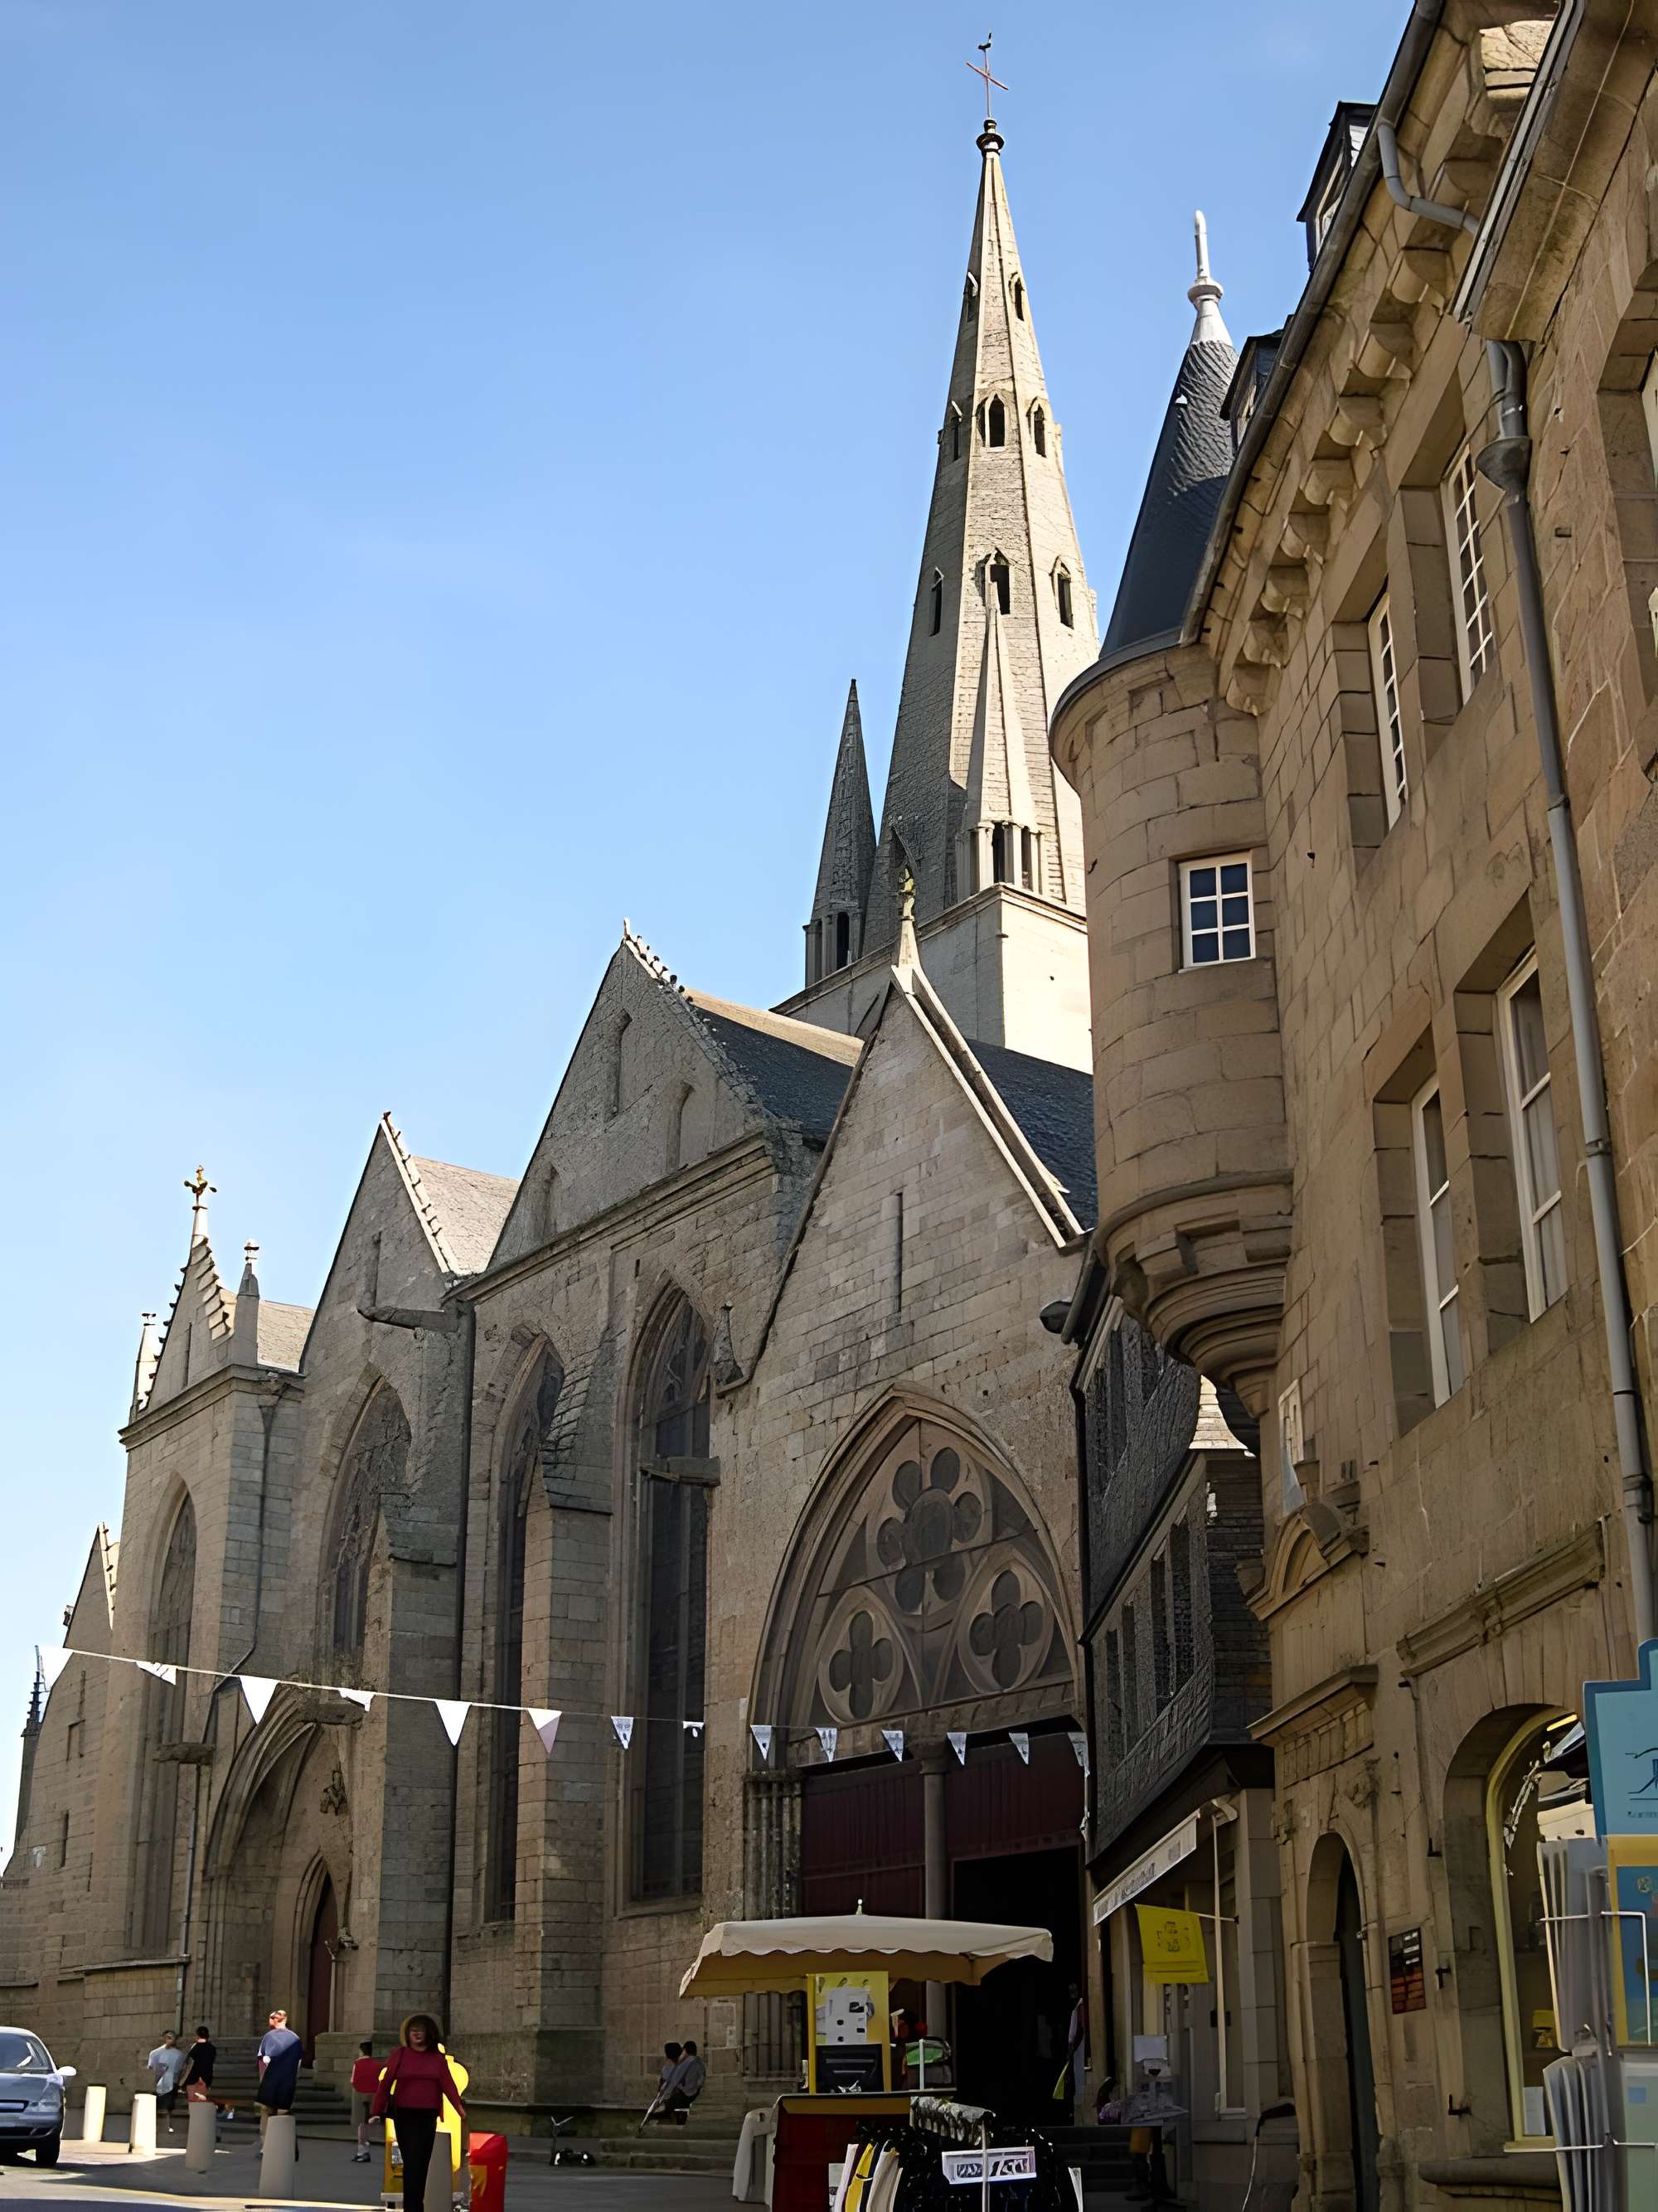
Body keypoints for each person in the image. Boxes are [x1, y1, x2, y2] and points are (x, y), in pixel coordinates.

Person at [371, 2014, 466, 2212]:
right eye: (413, 2030)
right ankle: (413, 2207)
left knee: (421, 2163)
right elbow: (386, 2083)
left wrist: (460, 2109)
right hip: (404, 2115)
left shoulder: (437, 2060)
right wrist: (376, 2110)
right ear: (407, 2033)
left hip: (427, 2116)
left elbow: (448, 2085)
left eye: (421, 2030)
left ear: (429, 2034)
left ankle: (415, 2205)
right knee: (412, 2161)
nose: (417, 2034)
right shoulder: (400, 2054)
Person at [256, 2008, 303, 2145]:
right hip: (287, 2083)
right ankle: (281, 2146)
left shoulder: (268, 2037)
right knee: (283, 2114)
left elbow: (261, 2061)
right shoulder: (295, 2038)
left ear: (274, 2020)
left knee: (266, 2114)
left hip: (270, 2082)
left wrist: (262, 2080)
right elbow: (298, 2063)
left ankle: (266, 2146)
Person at [179, 2026, 228, 2120]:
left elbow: (188, 2063)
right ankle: (200, 2122)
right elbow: (209, 2064)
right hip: (205, 2078)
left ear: (197, 2035)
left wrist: (182, 2082)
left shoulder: (194, 2047)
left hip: (192, 2078)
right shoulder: (211, 2048)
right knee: (201, 2102)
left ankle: (194, 2121)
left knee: (192, 2101)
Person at [147, 2031, 185, 2135]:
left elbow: (181, 2070)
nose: (169, 2039)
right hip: (162, 2082)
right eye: (168, 2037)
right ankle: (160, 2126)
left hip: (172, 2082)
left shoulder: (179, 2054)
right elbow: (151, 2069)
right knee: (161, 2106)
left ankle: (168, 2125)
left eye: (171, 2037)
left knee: (169, 2106)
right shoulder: (155, 2053)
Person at [350, 2041, 380, 2164]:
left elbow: (353, 2080)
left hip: (359, 2094)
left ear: (361, 2051)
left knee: (361, 2125)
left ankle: (362, 2151)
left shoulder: (357, 2063)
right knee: (367, 2123)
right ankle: (363, 2149)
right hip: (373, 2094)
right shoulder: (377, 2065)